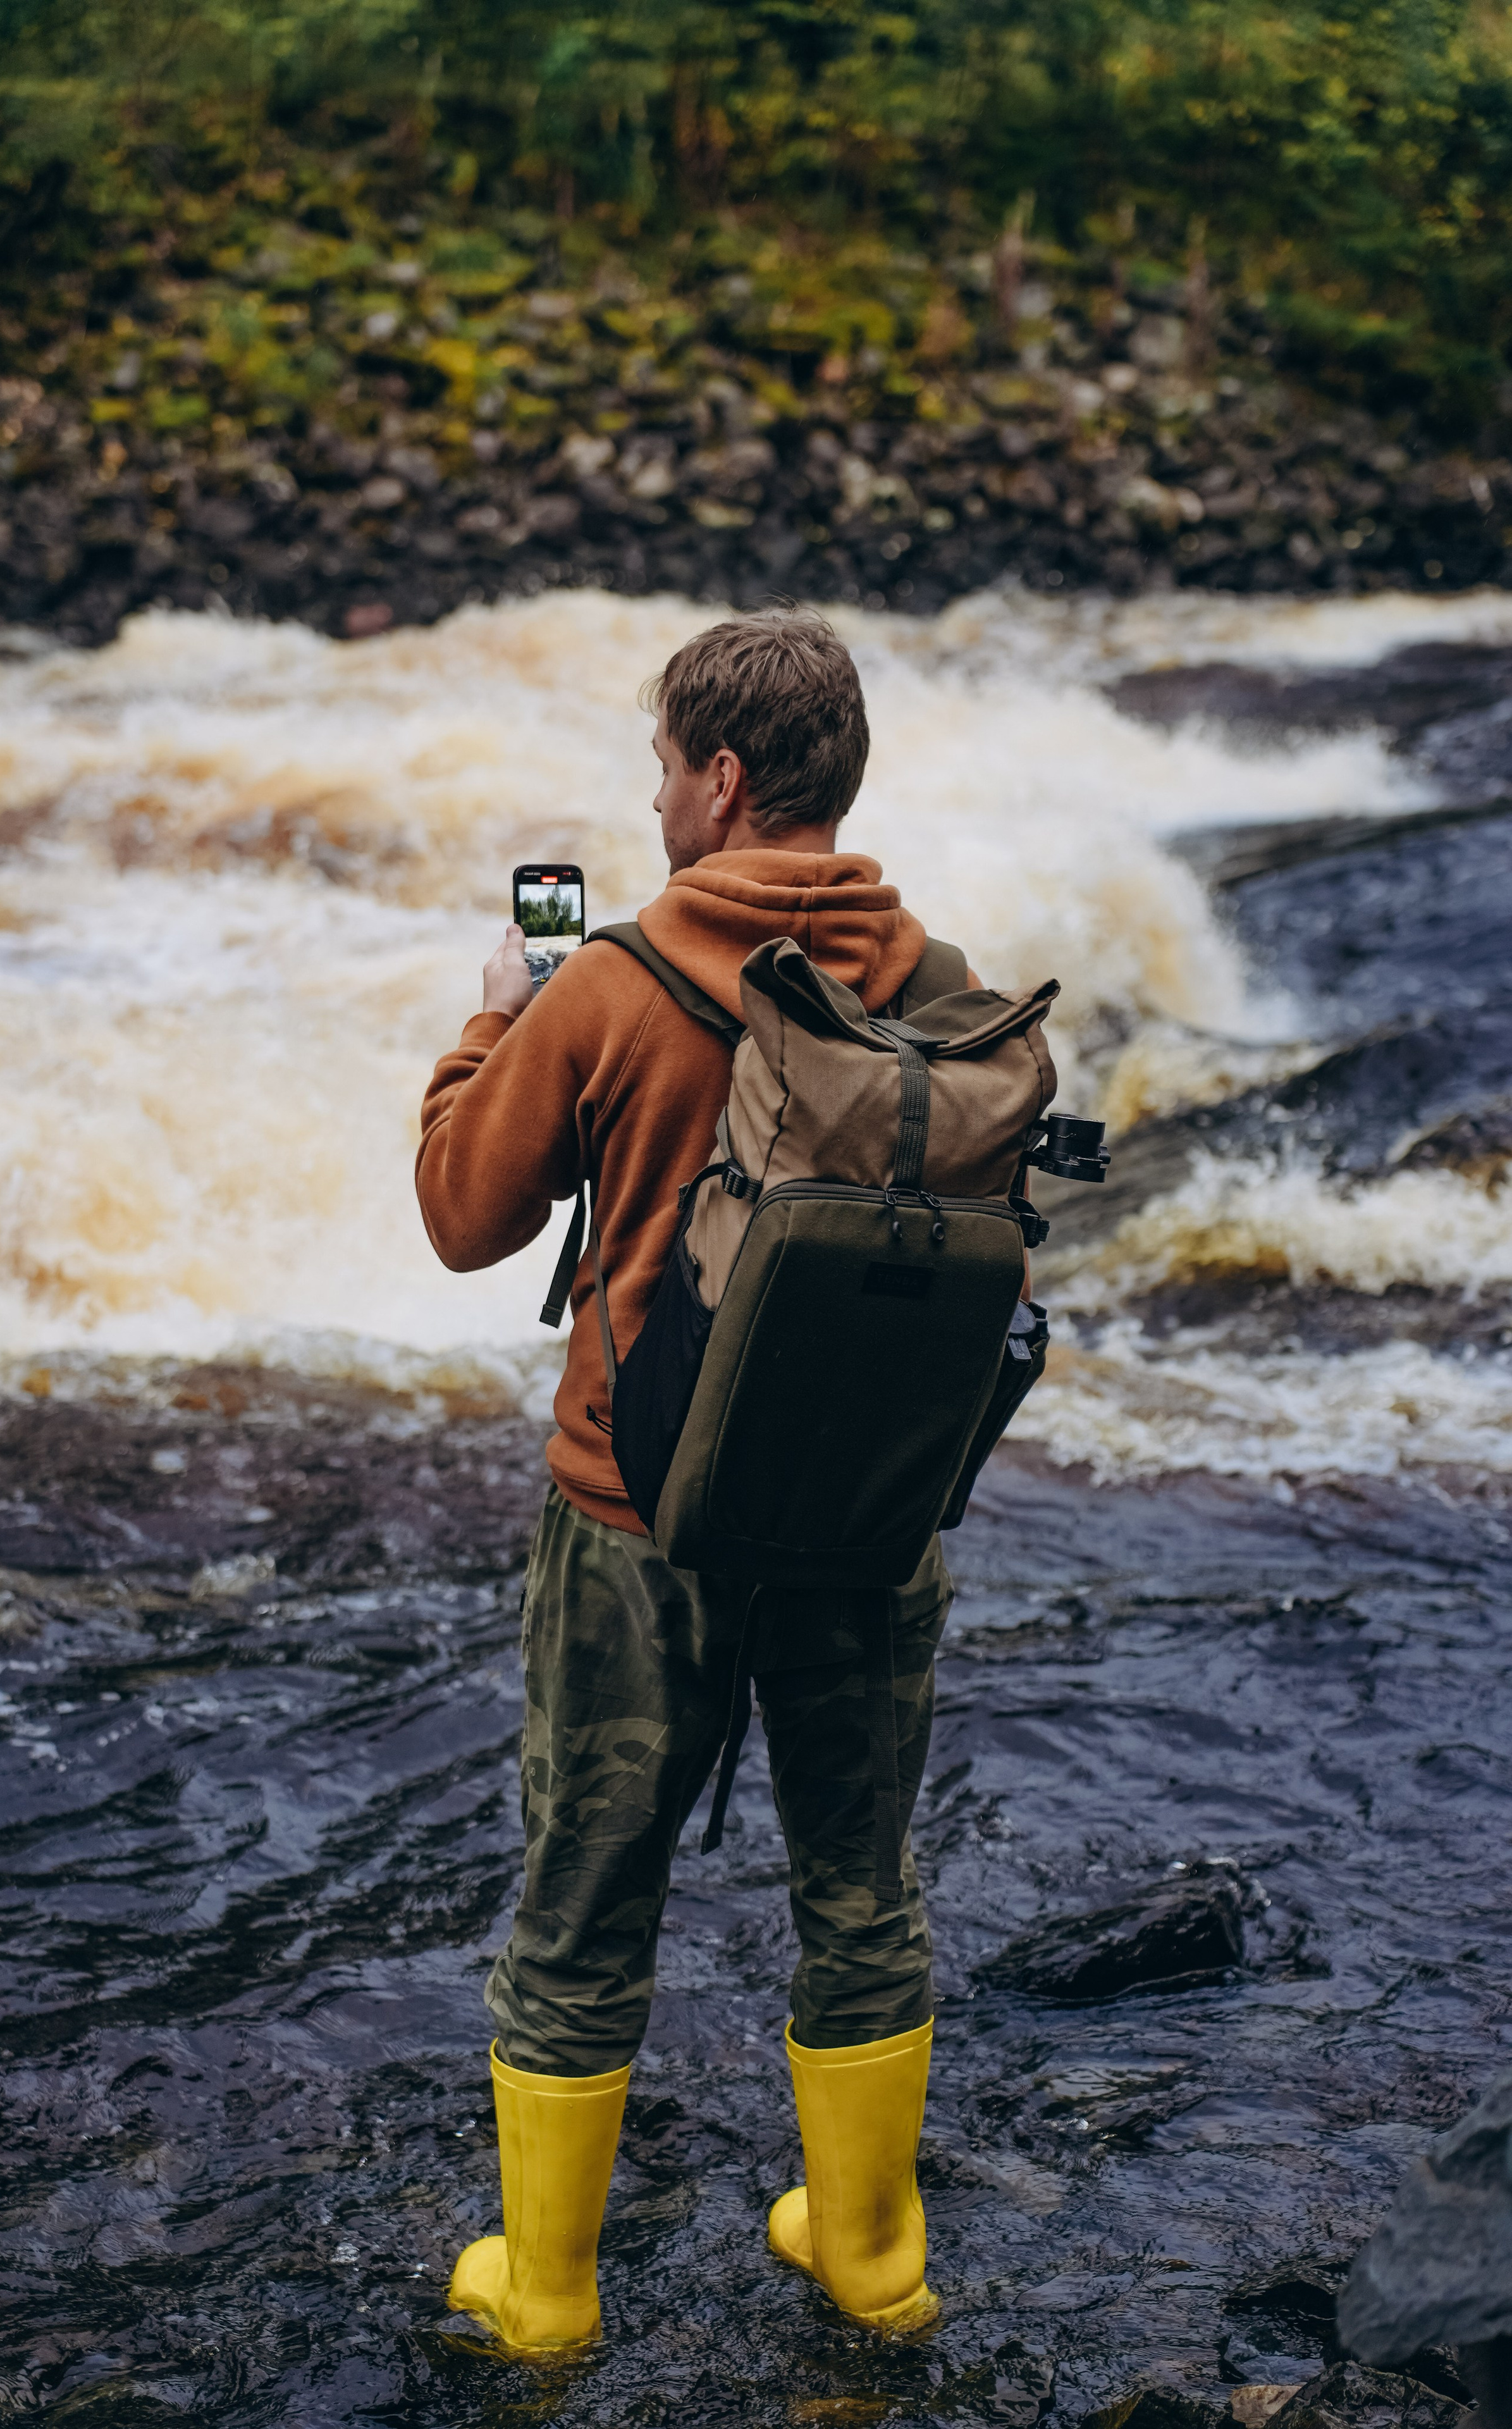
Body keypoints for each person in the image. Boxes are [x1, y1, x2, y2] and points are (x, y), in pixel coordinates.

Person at [415, 607, 978, 2354]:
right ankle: (873, 2255)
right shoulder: (939, 978)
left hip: (637, 1509)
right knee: (862, 1883)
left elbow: (460, 1218)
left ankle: (551, 2291)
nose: (656, 800)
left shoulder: (609, 982)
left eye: (665, 766)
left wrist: (484, 1032)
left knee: (588, 1888)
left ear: (723, 781)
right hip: (870, 1510)